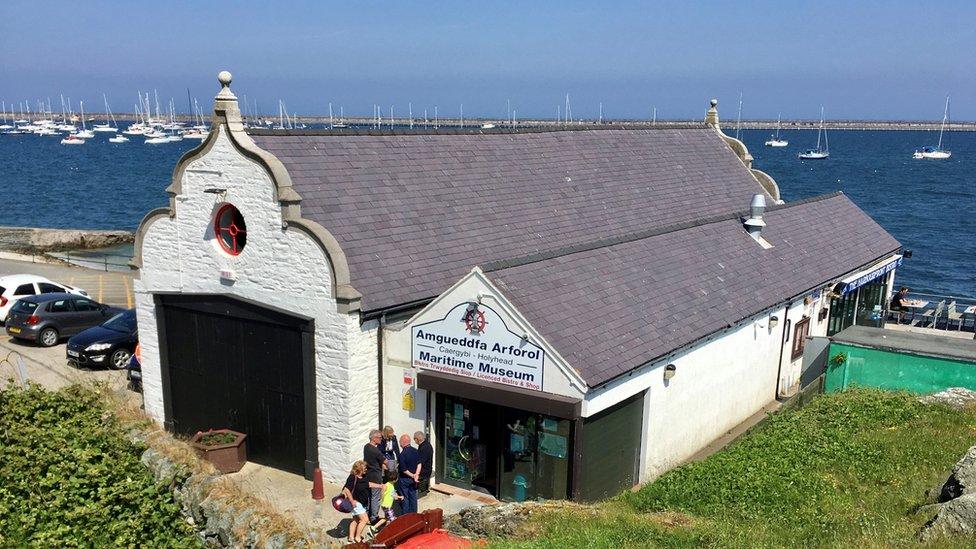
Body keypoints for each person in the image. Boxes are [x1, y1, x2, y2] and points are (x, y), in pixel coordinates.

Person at [342, 460, 370, 543]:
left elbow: (368, 484)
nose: (366, 470)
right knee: (365, 520)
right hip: (356, 503)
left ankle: (350, 538)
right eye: (364, 468)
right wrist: (352, 501)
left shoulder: (364, 477)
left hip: (362, 502)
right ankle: (357, 537)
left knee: (355, 520)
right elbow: (346, 490)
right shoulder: (352, 477)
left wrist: (380, 486)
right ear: (359, 468)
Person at [363, 429, 386, 522]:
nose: (381, 439)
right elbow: (385, 462)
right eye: (380, 438)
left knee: (369, 496)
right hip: (375, 476)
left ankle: (368, 514)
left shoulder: (366, 447)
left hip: (368, 475)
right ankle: (374, 517)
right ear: (374, 438)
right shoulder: (375, 450)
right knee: (376, 497)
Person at [397, 434, 420, 514]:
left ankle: (406, 516)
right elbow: (419, 464)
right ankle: (414, 514)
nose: (399, 443)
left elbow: (404, 470)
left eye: (400, 442)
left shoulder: (402, 454)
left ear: (403, 442)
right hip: (413, 480)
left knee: (405, 498)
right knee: (413, 497)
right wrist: (416, 475)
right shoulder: (415, 451)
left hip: (404, 479)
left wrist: (413, 475)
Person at [415, 431, 433, 498]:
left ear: (417, 439)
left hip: (424, 471)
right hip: (427, 469)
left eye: (415, 439)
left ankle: (420, 491)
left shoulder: (424, 448)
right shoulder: (426, 445)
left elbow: (421, 461)